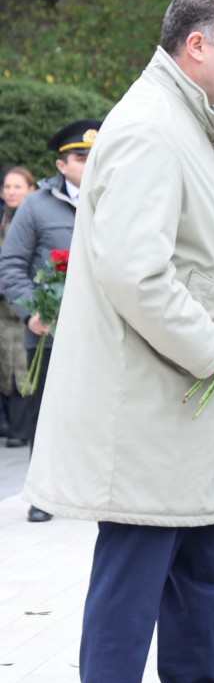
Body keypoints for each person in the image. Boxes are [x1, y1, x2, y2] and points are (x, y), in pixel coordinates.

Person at [22, 0, 214, 683]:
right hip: (149, 415)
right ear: (196, 47)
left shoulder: (186, 119)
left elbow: (190, 257)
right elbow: (136, 272)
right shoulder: (148, 126)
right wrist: (213, 345)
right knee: (129, 597)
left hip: (184, 415)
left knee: (204, 582)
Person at [0, 118, 101, 521]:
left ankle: (90, 491)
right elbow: (10, 265)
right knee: (46, 412)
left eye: (95, 156)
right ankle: (42, 495)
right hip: (48, 330)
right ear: (61, 165)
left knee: (96, 411)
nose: (88, 164)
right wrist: (31, 312)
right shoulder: (36, 206)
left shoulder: (114, 198)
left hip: (102, 330)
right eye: (80, 157)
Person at [0, 166, 36, 449]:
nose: (11, 192)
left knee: (24, 366)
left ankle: (23, 428)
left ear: (31, 190)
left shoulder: (31, 220)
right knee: (7, 365)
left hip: (24, 308)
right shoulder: (3, 220)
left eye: (18, 187)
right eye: (7, 187)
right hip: (3, 313)